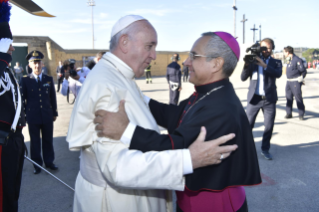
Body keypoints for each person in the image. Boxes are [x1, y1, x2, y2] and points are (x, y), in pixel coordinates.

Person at [66, 15, 238, 212]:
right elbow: (119, 167)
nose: (154, 55)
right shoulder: (107, 86)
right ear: (124, 43)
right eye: (149, 46)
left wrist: (128, 129)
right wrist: (188, 159)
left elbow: (152, 107)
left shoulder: (117, 74)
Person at [94, 31, 262, 212]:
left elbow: (177, 148)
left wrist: (125, 130)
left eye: (193, 56)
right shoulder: (211, 91)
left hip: (213, 205)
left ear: (216, 63)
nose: (186, 62)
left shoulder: (221, 107)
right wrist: (136, 95)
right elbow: (174, 114)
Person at [0, 4, 26, 211]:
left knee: (12, 195)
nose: (13, 48)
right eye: (9, 43)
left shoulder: (7, 70)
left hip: (14, 141)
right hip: (3, 144)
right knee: (3, 199)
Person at [241, 38, 282, 160]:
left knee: (268, 127)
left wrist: (264, 65)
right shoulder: (253, 62)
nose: (266, 51)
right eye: (264, 48)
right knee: (247, 126)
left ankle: (265, 149)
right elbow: (243, 77)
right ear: (260, 48)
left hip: (269, 100)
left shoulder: (276, 62)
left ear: (272, 48)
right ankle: (245, 150)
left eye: (269, 48)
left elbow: (278, 73)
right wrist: (247, 64)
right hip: (254, 99)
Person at [20, 51, 58, 174]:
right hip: (32, 116)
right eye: (34, 63)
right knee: (35, 141)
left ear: (42, 64)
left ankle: (49, 162)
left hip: (47, 114)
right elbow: (22, 99)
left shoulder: (48, 79)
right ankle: (37, 165)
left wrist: (54, 113)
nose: (37, 66)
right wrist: (23, 116)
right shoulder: (25, 80)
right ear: (30, 65)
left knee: (48, 140)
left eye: (39, 63)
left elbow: (53, 97)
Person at [283, 46, 307, 120]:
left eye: (284, 52)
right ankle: (289, 113)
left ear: (288, 52)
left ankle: (301, 114)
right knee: (288, 98)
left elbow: (303, 71)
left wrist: (302, 78)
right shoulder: (288, 59)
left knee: (298, 98)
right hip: (289, 81)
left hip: (295, 81)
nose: (283, 53)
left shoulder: (297, 60)